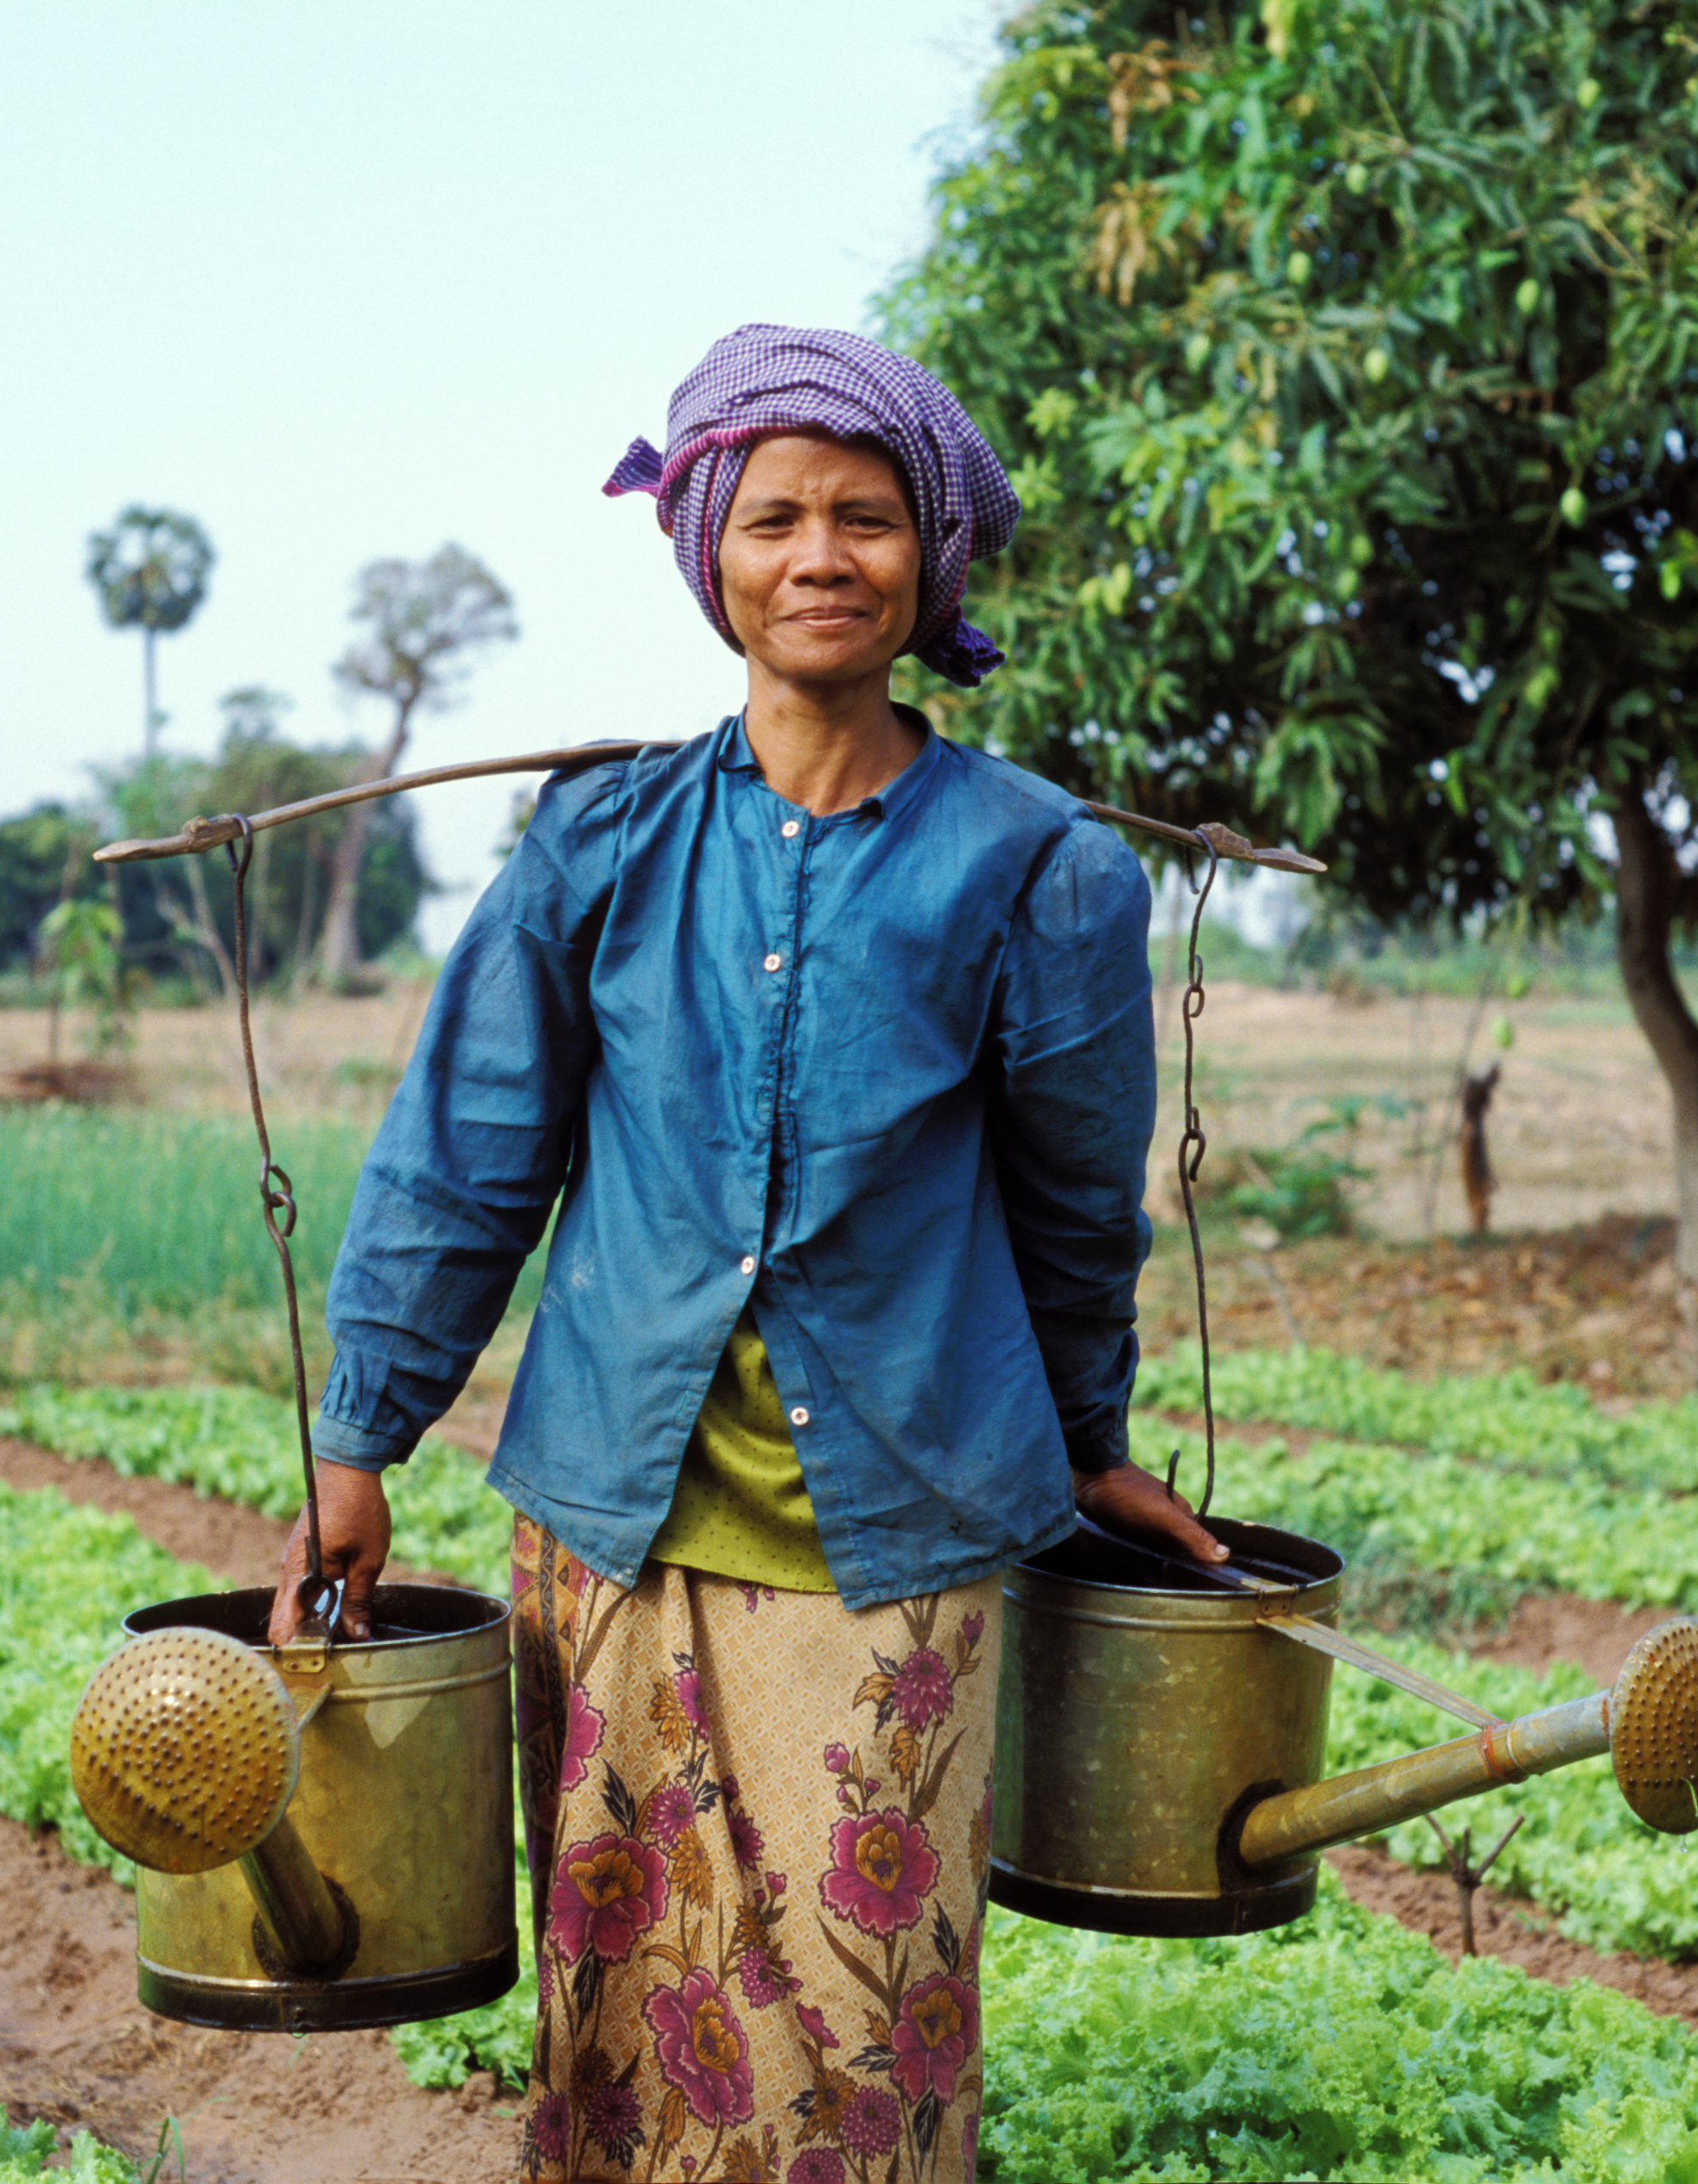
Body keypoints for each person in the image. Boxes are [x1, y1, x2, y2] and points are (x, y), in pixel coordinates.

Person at [275, 324, 1218, 2184]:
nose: (817, 555)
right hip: (609, 1516)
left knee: (872, 2021)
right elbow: (463, 1156)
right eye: (773, 515)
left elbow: (1069, 1200)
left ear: (926, 559)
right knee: (628, 1999)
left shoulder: (1037, 867)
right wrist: (356, 1439)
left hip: (902, 1522)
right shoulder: (601, 843)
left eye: (864, 518)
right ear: (706, 545)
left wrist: (1089, 1429)